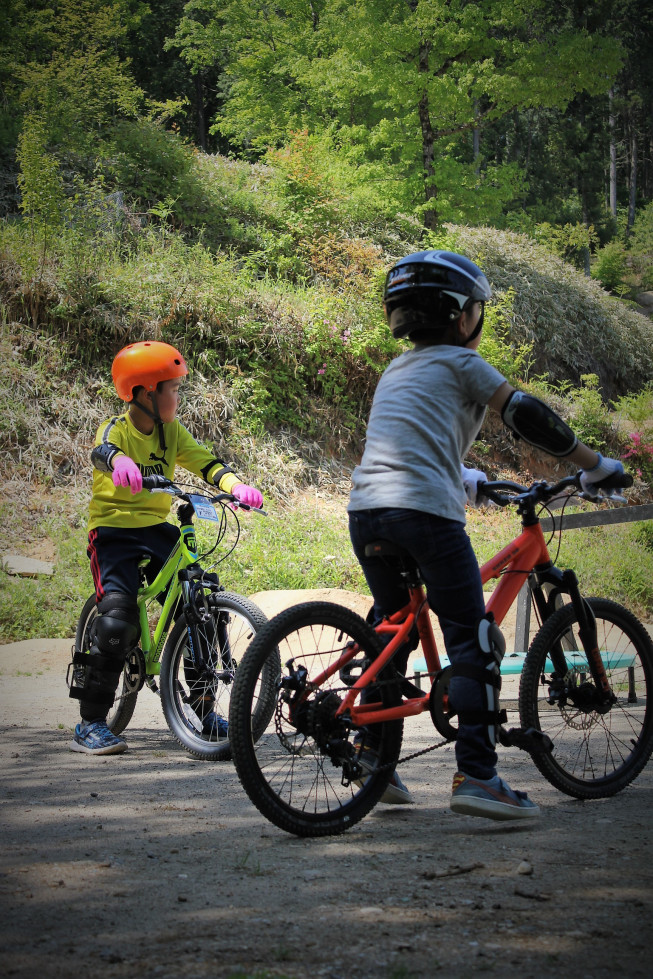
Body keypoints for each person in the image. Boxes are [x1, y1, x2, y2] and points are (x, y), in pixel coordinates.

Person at [348, 250, 625, 819]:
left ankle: (374, 761)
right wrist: (592, 462)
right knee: (472, 640)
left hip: (368, 511)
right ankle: (478, 775)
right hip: (425, 514)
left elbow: (415, 442)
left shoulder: (396, 370)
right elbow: (525, 414)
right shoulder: (461, 363)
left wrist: (470, 480)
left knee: (392, 630)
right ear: (462, 316)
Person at [69, 340, 263, 755]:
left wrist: (236, 486)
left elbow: (205, 462)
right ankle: (90, 723)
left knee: (202, 602)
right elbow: (103, 450)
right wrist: (118, 462)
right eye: (172, 388)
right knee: (118, 623)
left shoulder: (170, 431)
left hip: (156, 527)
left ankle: (204, 709)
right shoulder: (116, 429)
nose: (178, 396)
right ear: (144, 392)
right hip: (113, 532)